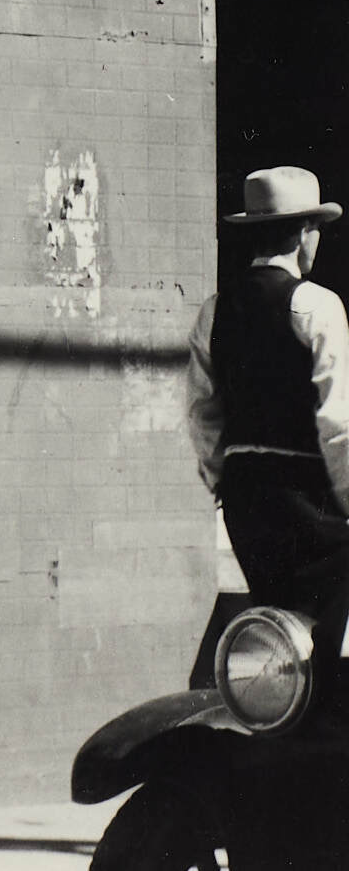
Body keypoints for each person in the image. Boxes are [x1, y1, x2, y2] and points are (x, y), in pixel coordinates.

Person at [184, 165, 349, 634]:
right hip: (307, 499)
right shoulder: (317, 305)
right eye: (316, 228)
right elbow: (338, 424)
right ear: (302, 232)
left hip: (246, 505)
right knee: (329, 626)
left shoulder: (214, 311)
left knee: (285, 628)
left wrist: (226, 483)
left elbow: (201, 413)